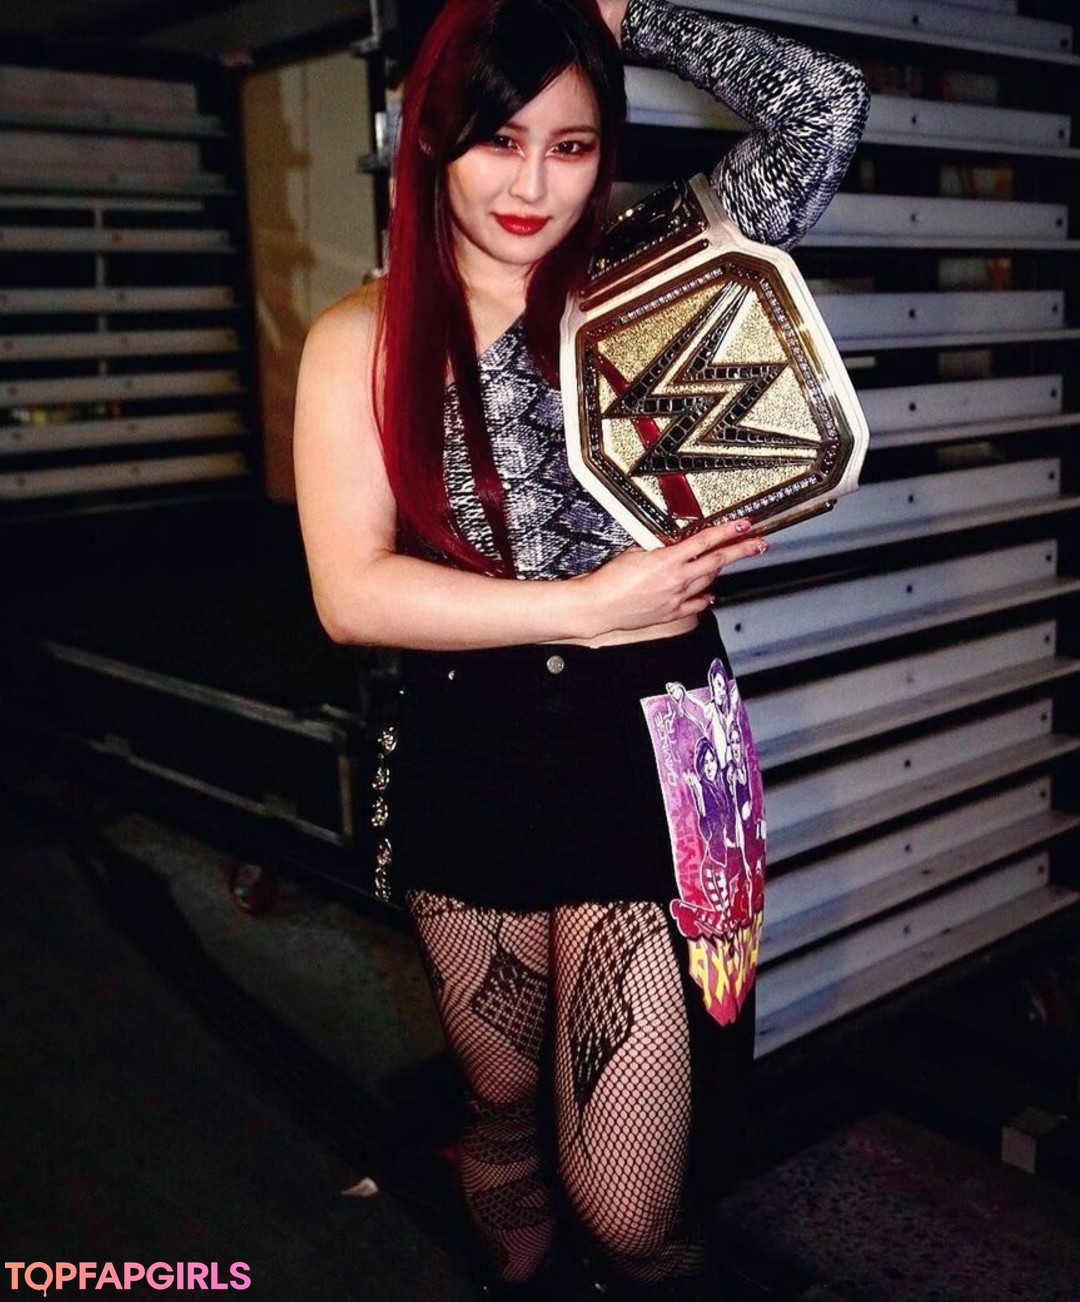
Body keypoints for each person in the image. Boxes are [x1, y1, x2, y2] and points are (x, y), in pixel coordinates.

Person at [293, 0, 868, 1296]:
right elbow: (351, 594)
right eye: (499, 139)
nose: (531, 186)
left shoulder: (657, 265)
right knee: (497, 1097)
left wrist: (631, 16)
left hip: (652, 748)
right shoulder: (362, 338)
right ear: (432, 138)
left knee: (629, 1203)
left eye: (572, 144)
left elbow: (826, 107)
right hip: (466, 744)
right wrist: (587, 602)